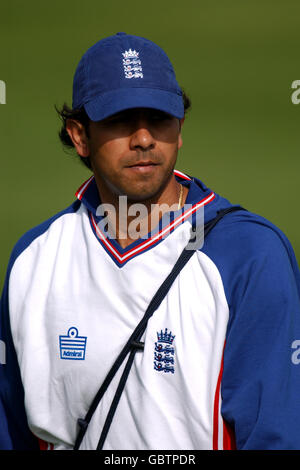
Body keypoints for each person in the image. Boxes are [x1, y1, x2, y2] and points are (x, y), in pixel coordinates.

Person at [1, 32, 300, 451]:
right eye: (121, 121)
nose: (144, 139)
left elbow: (275, 435)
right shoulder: (35, 258)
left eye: (159, 119)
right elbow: (13, 430)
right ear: (79, 135)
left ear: (179, 129)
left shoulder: (249, 255)